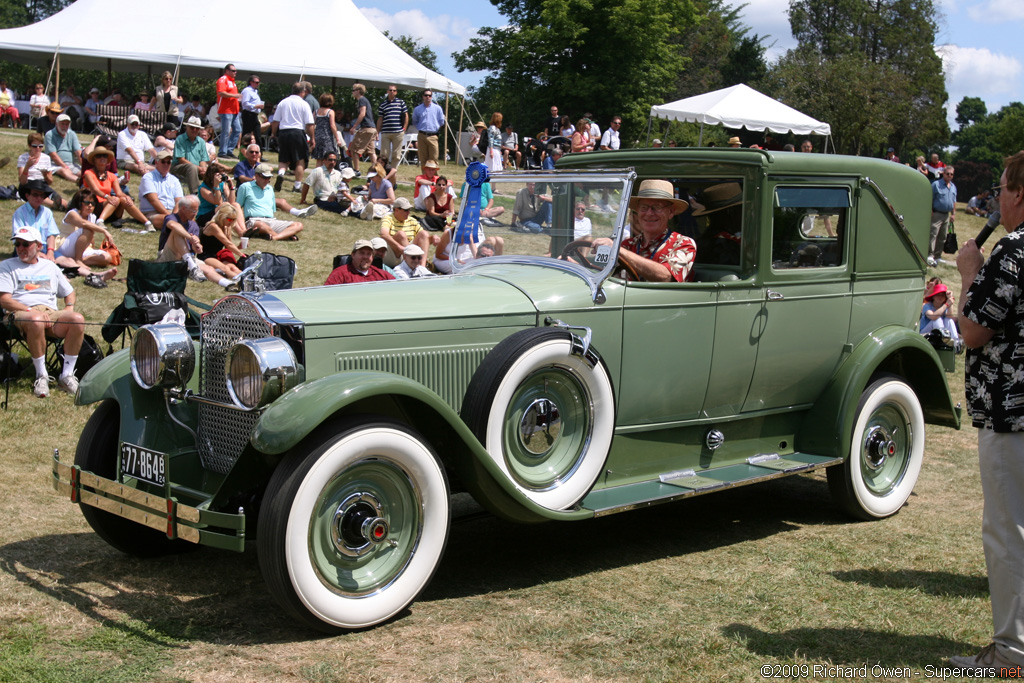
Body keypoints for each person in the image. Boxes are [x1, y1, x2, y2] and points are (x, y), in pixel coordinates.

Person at [951, 150, 1024, 675]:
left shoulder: (1013, 254)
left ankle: (1011, 653)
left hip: (1011, 414)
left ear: (1019, 194)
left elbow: (973, 330)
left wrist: (969, 273)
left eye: (1002, 188)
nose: (997, 197)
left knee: (1007, 531)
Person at [0, 225, 84, 397]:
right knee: (36, 320)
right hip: (20, 312)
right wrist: (30, 310)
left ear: (39, 246)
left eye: (26, 244)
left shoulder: (50, 266)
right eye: (18, 244)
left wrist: (69, 308)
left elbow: (69, 292)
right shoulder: (7, 266)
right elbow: (4, 300)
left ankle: (66, 375)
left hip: (49, 312)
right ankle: (41, 376)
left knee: (77, 319)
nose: (21, 248)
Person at [593, 179, 696, 282]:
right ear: (637, 211)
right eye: (644, 207)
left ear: (671, 212)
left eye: (657, 207)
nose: (649, 213)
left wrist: (616, 249)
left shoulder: (683, 244)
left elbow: (666, 277)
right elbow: (603, 275)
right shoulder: (628, 245)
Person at [54, 189, 119, 285]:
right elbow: (84, 224)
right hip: (64, 247)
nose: (90, 206)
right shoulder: (72, 213)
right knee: (88, 228)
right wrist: (104, 231)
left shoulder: (92, 217)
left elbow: (89, 238)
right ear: (79, 203)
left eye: (93, 203)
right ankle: (78, 260)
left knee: (107, 258)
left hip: (80, 249)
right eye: (87, 203)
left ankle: (75, 261)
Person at [82, 146, 154, 231]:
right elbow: (95, 190)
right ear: (94, 160)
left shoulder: (112, 176)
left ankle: (147, 223)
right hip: (94, 205)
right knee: (116, 199)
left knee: (124, 199)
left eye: (104, 156)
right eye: (99, 156)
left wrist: (127, 197)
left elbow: (119, 192)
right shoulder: (88, 173)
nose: (102, 158)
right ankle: (100, 221)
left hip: (110, 205)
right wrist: (107, 197)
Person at [156, 195, 217, 283]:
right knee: (177, 231)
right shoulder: (171, 218)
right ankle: (192, 267)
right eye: (193, 211)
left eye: (197, 210)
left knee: (209, 269)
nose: (195, 214)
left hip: (187, 257)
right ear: (183, 208)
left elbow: (194, 247)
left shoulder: (194, 225)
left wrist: (197, 245)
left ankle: (228, 283)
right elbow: (173, 225)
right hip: (168, 256)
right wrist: (190, 237)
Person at [236, 163, 306, 241]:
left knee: (298, 225)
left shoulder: (270, 189)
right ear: (256, 175)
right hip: (254, 220)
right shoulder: (245, 187)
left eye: (269, 177)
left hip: (271, 220)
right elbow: (238, 207)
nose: (267, 180)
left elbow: (272, 210)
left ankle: (274, 237)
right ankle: (284, 236)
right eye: (264, 177)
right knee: (261, 225)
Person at [271, 82, 315, 194]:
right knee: (300, 160)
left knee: (284, 158)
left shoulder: (283, 102)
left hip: (284, 132)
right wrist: (312, 138)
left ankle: (281, 174)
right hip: (297, 132)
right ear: (303, 91)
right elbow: (310, 124)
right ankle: (297, 186)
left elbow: (275, 121)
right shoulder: (304, 104)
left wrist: (273, 133)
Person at [197, 203, 245, 287]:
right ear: (222, 216)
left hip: (218, 255)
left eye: (234, 220)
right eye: (229, 219)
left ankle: (251, 279)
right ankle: (242, 282)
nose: (231, 222)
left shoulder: (226, 227)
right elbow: (228, 243)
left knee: (234, 268)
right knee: (225, 268)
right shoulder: (213, 226)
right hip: (206, 255)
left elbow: (228, 248)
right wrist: (242, 255)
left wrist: (238, 247)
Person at [18, 132, 67, 211]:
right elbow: (22, 181)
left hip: (42, 184)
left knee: (64, 202)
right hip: (28, 185)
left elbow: (50, 181)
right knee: (37, 194)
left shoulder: (46, 158)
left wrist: (45, 175)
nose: (38, 148)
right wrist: (27, 166)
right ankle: (54, 205)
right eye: (35, 146)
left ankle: (69, 208)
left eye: (40, 146)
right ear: (29, 146)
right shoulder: (23, 158)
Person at [379, 197, 434, 266]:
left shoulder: (412, 220)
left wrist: (432, 238)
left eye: (409, 210)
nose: (408, 212)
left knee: (424, 234)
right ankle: (413, 264)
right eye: (406, 210)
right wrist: (398, 246)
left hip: (407, 251)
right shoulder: (388, 219)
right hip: (393, 254)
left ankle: (422, 267)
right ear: (396, 210)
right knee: (401, 235)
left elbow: (424, 238)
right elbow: (383, 234)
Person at [12, 179, 61, 257]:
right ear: (27, 196)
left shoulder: (47, 212)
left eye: (42, 195)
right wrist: (37, 253)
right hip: (26, 247)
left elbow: (51, 235)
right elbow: (18, 238)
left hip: (44, 247)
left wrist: (50, 251)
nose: (39, 198)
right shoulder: (20, 213)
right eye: (35, 195)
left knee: (67, 261)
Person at [138, 149, 183, 232]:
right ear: (156, 163)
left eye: (168, 162)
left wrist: (175, 214)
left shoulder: (174, 180)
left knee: (187, 218)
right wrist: (170, 216)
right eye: (163, 162)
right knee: (170, 220)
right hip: (153, 212)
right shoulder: (148, 178)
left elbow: (179, 201)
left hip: (172, 211)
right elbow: (154, 201)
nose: (166, 164)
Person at [197, 163, 244, 233]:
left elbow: (232, 201)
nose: (221, 177)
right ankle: (241, 233)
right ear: (211, 175)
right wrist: (216, 186)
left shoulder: (222, 184)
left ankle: (244, 230)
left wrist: (231, 185)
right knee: (224, 205)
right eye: (219, 175)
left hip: (219, 213)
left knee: (235, 205)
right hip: (205, 217)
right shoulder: (203, 188)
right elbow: (218, 202)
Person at [324, 238, 395, 285]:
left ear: (372, 257)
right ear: (353, 255)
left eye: (369, 254)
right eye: (362, 253)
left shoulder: (381, 275)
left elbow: (398, 287)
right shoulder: (340, 274)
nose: (365, 257)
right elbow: (326, 294)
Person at [928, 166, 956, 267]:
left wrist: (953, 214)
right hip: (937, 213)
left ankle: (938, 256)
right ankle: (930, 255)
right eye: (947, 173)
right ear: (943, 173)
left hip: (946, 215)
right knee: (933, 234)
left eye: (951, 174)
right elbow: (929, 197)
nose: (949, 176)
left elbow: (954, 201)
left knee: (942, 236)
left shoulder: (953, 187)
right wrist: (930, 210)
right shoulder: (936, 184)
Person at [43, 112, 82, 183]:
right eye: (62, 124)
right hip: (54, 163)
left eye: (67, 124)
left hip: (71, 163)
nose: (65, 126)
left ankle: (86, 180)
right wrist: (65, 166)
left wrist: (84, 166)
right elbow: (53, 155)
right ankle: (79, 181)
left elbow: (78, 152)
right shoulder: (49, 135)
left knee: (82, 173)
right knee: (64, 171)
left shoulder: (72, 134)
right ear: (56, 124)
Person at [376, 84, 408, 167]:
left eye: (394, 90)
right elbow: (380, 119)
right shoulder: (383, 104)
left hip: (398, 132)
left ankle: (393, 171)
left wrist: (404, 128)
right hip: (385, 132)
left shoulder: (401, 102)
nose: (392, 92)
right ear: (387, 91)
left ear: (396, 92)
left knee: (396, 154)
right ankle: (383, 171)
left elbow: (406, 115)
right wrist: (377, 132)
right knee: (384, 154)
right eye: (390, 90)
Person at [347, 83, 377, 174]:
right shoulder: (365, 100)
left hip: (366, 128)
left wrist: (354, 126)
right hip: (372, 129)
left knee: (354, 149)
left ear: (358, 91)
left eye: (353, 90)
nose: (352, 92)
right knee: (371, 151)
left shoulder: (362, 100)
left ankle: (356, 170)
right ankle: (377, 170)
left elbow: (362, 114)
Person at [411, 89, 445, 165]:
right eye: (426, 95)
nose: (428, 97)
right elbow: (414, 121)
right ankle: (424, 176)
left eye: (429, 95)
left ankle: (434, 177)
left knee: (434, 159)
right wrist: (421, 128)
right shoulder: (417, 109)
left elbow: (441, 122)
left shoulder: (438, 108)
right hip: (421, 136)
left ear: (431, 97)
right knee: (423, 159)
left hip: (433, 136)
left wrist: (434, 128)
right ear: (423, 96)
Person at [215, 63, 242, 158]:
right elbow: (221, 93)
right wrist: (234, 96)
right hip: (225, 110)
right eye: (233, 70)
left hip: (234, 110)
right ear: (227, 71)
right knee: (226, 131)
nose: (235, 72)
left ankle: (229, 150)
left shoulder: (232, 81)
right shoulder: (223, 80)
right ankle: (222, 152)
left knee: (238, 130)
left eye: (235, 70)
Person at [312, 93, 339, 166]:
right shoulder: (330, 112)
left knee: (319, 158)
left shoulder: (316, 112)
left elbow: (312, 124)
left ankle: (317, 174)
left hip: (317, 136)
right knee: (328, 157)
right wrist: (337, 138)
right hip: (327, 137)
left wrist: (312, 137)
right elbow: (332, 126)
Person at [240, 75, 264, 142]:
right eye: (256, 82)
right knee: (247, 133)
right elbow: (245, 103)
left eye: (258, 82)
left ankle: (259, 151)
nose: (258, 84)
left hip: (254, 114)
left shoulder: (255, 91)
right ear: (251, 82)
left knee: (257, 133)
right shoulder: (247, 90)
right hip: (248, 113)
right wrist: (255, 106)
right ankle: (243, 149)